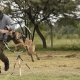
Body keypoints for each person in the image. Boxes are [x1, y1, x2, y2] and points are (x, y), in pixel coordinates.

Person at [0, 6, 15, 71]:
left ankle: (6, 61)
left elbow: (13, 25)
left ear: (0, 8)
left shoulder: (6, 17)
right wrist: (1, 31)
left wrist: (9, 28)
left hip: (2, 39)